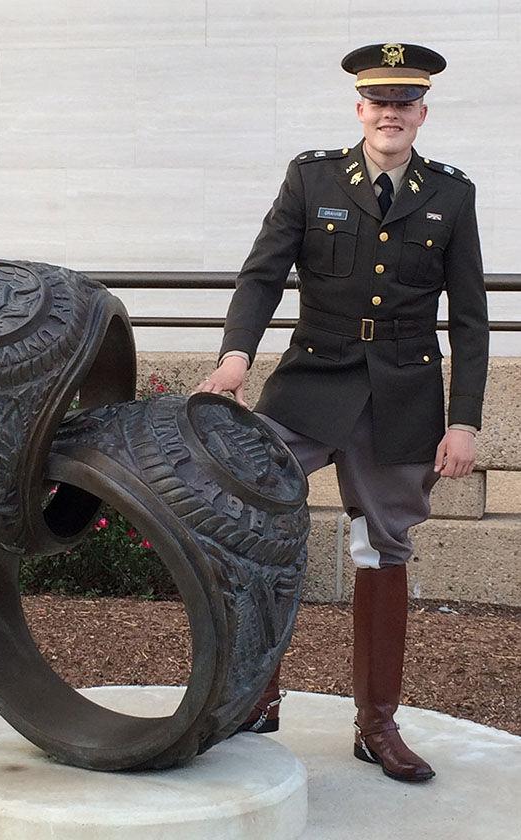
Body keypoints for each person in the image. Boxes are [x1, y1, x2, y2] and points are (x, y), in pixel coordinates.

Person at [193, 42, 489, 783]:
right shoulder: (312, 177)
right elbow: (261, 275)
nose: (391, 114)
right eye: (378, 102)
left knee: (385, 549)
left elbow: (471, 319)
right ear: (360, 109)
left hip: (403, 398)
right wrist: (236, 358)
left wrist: (464, 419)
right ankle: (254, 698)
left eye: (405, 103)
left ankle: (377, 727)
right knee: (253, 522)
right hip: (309, 387)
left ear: (422, 113)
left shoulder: (451, 194)